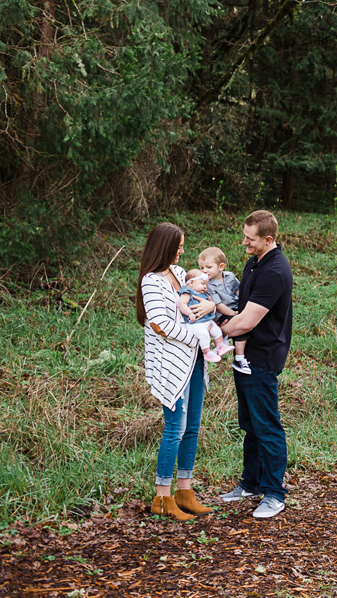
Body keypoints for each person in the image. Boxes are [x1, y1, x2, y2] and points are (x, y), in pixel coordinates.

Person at [136, 222, 217, 521]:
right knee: (175, 428)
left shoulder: (180, 273)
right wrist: (195, 335)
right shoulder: (151, 281)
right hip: (171, 364)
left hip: (195, 359)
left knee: (193, 426)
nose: (183, 250)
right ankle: (162, 497)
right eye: (179, 245)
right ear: (164, 246)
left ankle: (185, 491)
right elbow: (159, 324)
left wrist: (209, 305)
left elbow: (200, 299)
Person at [219, 210, 294, 519]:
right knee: (250, 425)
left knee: (267, 426)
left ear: (268, 239)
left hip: (262, 358)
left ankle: (275, 493)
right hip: (245, 356)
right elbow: (240, 305)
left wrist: (210, 334)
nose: (244, 243)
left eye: (250, 239)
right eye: (244, 236)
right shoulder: (255, 261)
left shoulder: (274, 271)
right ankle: (251, 483)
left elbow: (247, 320)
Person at [198, 247, 252, 375]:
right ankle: (239, 358)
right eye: (201, 268)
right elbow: (219, 305)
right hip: (222, 314)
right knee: (239, 324)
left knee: (249, 320)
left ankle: (226, 340)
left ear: (221, 267)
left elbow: (238, 289)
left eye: (208, 267)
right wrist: (234, 314)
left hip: (235, 308)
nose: (204, 271)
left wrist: (241, 302)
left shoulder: (230, 276)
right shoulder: (208, 285)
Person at [177, 270, 234, 363]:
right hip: (195, 323)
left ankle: (220, 346)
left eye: (206, 284)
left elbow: (211, 305)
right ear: (191, 282)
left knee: (217, 331)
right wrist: (189, 313)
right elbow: (181, 304)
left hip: (206, 320)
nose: (205, 286)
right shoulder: (187, 292)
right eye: (202, 283)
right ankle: (207, 353)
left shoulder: (202, 293)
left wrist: (210, 302)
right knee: (204, 335)